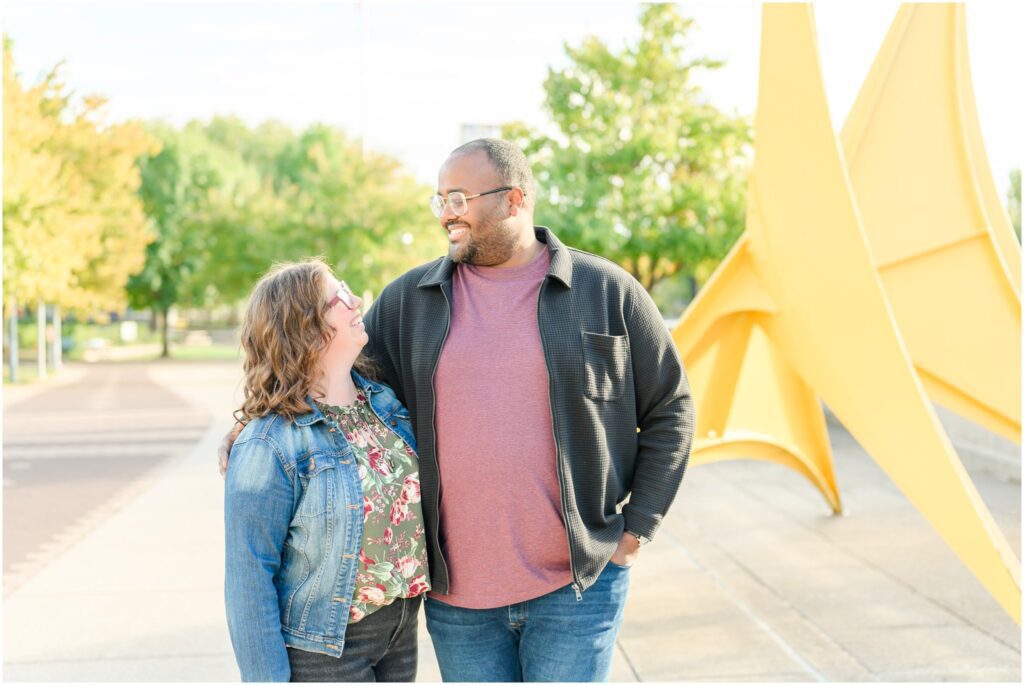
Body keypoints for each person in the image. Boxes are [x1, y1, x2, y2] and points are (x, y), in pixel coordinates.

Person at [221, 138, 694, 682]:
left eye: (459, 199)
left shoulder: (607, 291)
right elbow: (319, 368)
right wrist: (252, 427)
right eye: (440, 200)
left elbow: (672, 408)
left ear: (514, 199)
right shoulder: (410, 301)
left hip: (578, 588)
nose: (446, 213)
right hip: (459, 605)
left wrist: (637, 530)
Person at [223, 258, 429, 682]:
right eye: (339, 297)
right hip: (322, 651)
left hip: (400, 630)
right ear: (306, 327)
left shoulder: (384, 404)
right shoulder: (268, 443)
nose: (356, 301)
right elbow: (249, 577)